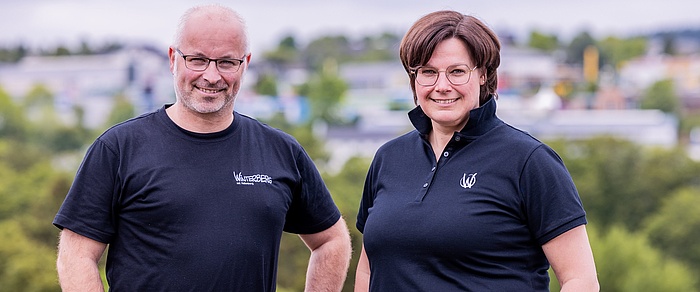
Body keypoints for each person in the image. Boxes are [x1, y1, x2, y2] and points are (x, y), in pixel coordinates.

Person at [53, 4, 351, 291]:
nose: (211, 76)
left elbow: (332, 240)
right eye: (197, 59)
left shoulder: (281, 151)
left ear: (244, 64)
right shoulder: (119, 148)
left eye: (226, 62)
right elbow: (76, 255)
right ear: (173, 59)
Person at [354, 10, 599, 291]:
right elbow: (368, 268)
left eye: (457, 71)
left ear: (483, 74)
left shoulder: (529, 161)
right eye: (428, 72)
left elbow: (581, 280)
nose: (442, 86)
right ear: (414, 78)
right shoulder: (389, 158)